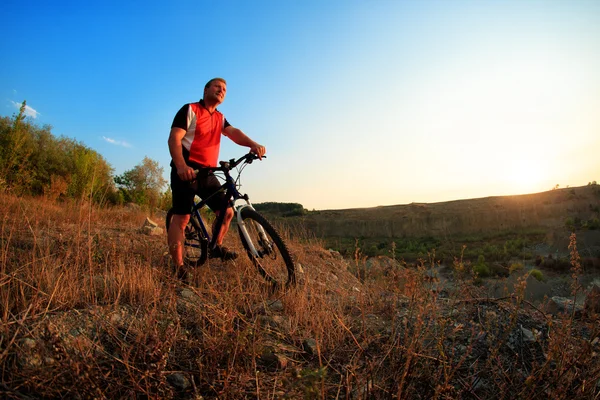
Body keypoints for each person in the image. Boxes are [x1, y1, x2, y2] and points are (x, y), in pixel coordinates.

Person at [167, 77, 266, 277]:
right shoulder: (190, 109)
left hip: (208, 173)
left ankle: (216, 247)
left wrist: (253, 145)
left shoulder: (219, 117)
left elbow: (233, 132)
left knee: (227, 212)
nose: (221, 91)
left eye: (224, 90)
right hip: (187, 170)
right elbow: (174, 138)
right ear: (205, 90)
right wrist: (181, 166)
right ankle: (178, 267)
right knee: (182, 218)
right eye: (217, 87)